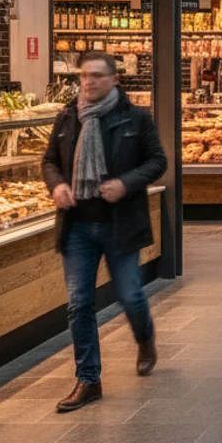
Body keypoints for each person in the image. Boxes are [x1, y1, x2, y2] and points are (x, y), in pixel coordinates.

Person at [41, 52, 167, 412]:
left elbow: (158, 162)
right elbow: (49, 160)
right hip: (77, 224)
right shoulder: (68, 116)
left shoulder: (136, 118)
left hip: (119, 223)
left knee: (130, 295)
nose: (90, 82)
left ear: (114, 79)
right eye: (85, 76)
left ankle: (144, 339)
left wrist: (125, 184)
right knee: (79, 303)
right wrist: (58, 185)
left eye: (97, 75)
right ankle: (88, 379)